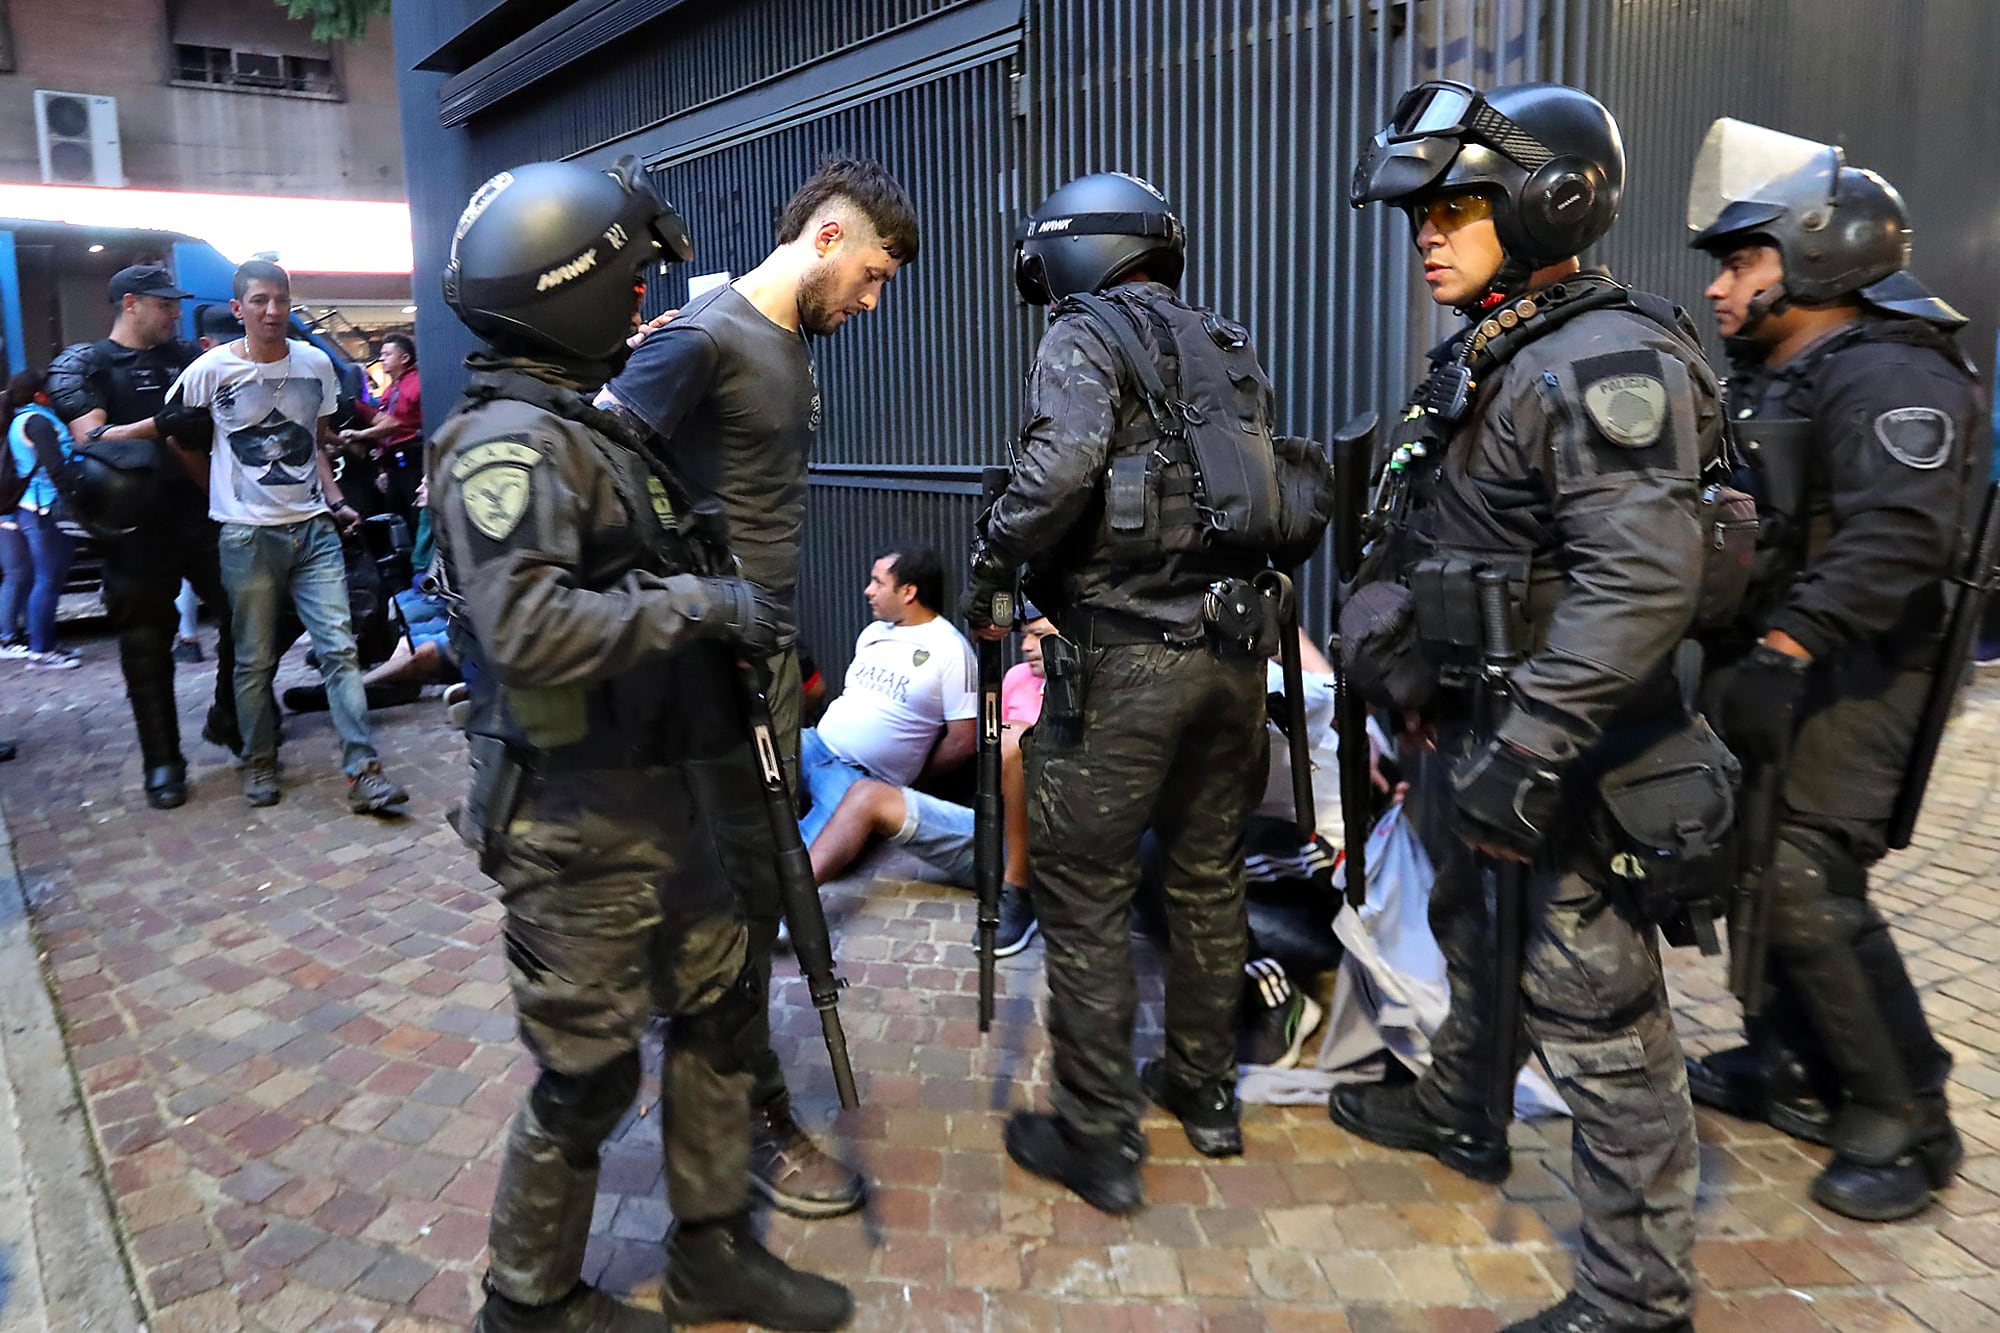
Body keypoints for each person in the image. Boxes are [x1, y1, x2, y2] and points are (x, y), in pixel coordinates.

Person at [432, 157, 849, 1333]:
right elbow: (526, 627)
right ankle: (529, 1303)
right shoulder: (504, 445)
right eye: (619, 283)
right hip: (574, 821)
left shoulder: (586, 427)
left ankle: (713, 1253)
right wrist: (707, 610)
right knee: (589, 1072)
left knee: (720, 1014)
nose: (637, 303)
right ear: (560, 285)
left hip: (668, 794)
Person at [1335, 81, 1719, 1333]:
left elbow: (1639, 581)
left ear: (1549, 201)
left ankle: (1635, 1298)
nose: (1426, 234)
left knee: (1601, 1027)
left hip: (1563, 757)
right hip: (1477, 731)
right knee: (1472, 935)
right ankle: (1460, 1105)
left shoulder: (1603, 359)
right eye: (1421, 213)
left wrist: (1529, 749)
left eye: (1456, 207)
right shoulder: (1501, 341)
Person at [968, 171, 1301, 1211]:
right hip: (1231, 667)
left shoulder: (1084, 333)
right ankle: (1204, 1095)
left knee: (1084, 896)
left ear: (1070, 253)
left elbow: (1060, 469)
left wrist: (989, 560)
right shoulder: (1229, 344)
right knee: (1207, 876)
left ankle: (1096, 1136)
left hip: (1120, 663)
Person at [596, 156, 918, 1221]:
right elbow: (590, 481)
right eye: (870, 275)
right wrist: (685, 613)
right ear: (827, 238)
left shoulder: (780, 342)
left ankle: (712, 1081)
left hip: (760, 662)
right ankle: (747, 1119)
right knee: (738, 902)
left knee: (746, 893)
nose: (872, 302)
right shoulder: (703, 338)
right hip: (703, 673)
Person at [1682, 120, 1978, 1221]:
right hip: (1775, 662)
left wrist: (1786, 646)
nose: (1719, 287)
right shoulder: (1785, 372)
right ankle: (1790, 1066)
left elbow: (1899, 539)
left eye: (1738, 260)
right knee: (1753, 864)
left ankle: (1909, 1115)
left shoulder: (1893, 370)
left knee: (1805, 882)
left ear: (1814, 254)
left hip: (1851, 674)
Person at [117, 260, 407, 814]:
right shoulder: (211, 370)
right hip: (248, 537)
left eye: (280, 299)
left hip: (313, 530)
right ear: (238, 308)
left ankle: (364, 770)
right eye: (259, 301)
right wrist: (118, 436)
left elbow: (314, 440)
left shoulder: (316, 364)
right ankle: (259, 758)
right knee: (252, 660)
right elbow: (172, 427)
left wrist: (337, 501)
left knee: (339, 652)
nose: (272, 311)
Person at [47, 265, 238, 809]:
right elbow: (94, 436)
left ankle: (230, 714)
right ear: (131, 303)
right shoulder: (87, 364)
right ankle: (163, 760)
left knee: (248, 614)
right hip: (135, 525)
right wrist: (169, 423)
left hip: (199, 511)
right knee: (144, 643)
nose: (175, 313)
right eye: (164, 304)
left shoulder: (188, 360)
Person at [804, 598, 1041, 956]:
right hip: (988, 825)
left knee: (1018, 740)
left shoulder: (1092, 689)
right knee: (867, 794)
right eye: (1023, 635)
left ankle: (1021, 894)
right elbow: (984, 747)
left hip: (1041, 843)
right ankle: (789, 904)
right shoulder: (1016, 678)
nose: (1024, 646)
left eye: (1037, 636)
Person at [4, 370, 80, 669]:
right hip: (45, 509)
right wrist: (75, 498)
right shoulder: (38, 421)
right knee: (48, 580)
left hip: (32, 508)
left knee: (45, 579)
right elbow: (55, 466)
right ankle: (41, 650)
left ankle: (45, 643)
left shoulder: (21, 419)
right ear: (38, 394)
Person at [340, 331, 423, 529]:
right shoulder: (390, 390)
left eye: (387, 354)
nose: (381, 359)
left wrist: (360, 435)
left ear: (404, 358)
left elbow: (395, 425)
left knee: (414, 520)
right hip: (392, 464)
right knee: (396, 522)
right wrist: (383, 469)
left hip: (413, 463)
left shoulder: (417, 385)